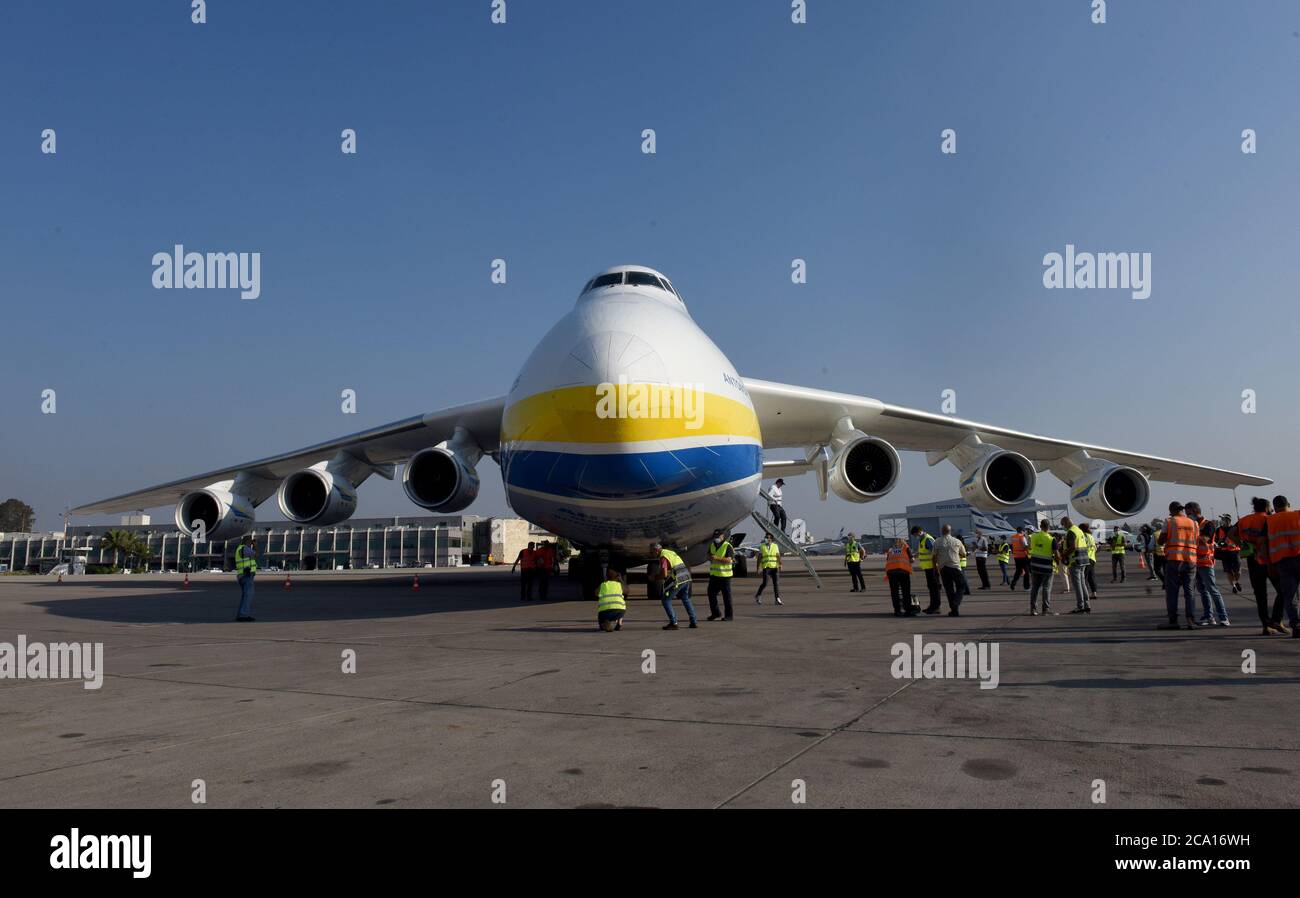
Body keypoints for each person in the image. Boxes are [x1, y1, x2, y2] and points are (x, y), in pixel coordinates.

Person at [1235, 496, 1287, 635]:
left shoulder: (1244, 520)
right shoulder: (1268, 519)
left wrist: (1242, 545)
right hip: (1268, 559)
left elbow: (1231, 534)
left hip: (1252, 559)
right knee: (1283, 590)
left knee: (1260, 595)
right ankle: (1277, 619)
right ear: (1266, 508)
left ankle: (1266, 625)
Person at [1157, 502, 1199, 630]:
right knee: (1190, 591)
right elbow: (1196, 540)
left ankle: (1173, 620)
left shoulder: (1170, 521)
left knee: (1172, 591)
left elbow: (1161, 540)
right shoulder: (1194, 523)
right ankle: (1191, 620)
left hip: (1174, 559)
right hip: (1191, 559)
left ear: (1172, 511)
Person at [1265, 495, 1300, 638]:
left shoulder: (1269, 521)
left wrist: (1269, 564)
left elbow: (1263, 543)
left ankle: (1296, 626)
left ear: (1274, 508)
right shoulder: (1297, 514)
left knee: (1290, 596)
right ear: (1288, 504)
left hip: (1282, 561)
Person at [653, 542, 697, 630]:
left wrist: (655, 577)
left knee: (666, 600)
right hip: (686, 576)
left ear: (656, 550)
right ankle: (693, 621)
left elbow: (664, 574)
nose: (651, 554)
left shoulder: (663, 557)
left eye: (652, 552)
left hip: (679, 579)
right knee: (685, 599)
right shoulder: (670, 552)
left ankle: (674, 623)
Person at [1194, 527, 1229, 627]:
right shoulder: (1195, 526)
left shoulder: (1207, 525)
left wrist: (1194, 534)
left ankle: (1223, 617)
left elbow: (1205, 540)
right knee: (1203, 591)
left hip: (1206, 564)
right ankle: (1209, 617)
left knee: (1213, 590)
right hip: (1197, 564)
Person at [932, 524, 966, 616]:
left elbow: (934, 557)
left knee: (949, 589)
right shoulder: (957, 541)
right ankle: (956, 603)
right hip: (955, 567)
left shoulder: (937, 542)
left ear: (942, 531)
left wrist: (935, 569)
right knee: (961, 586)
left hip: (943, 568)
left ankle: (954, 610)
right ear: (950, 531)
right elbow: (963, 554)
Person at [1062, 518, 1092, 614]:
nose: (1063, 527)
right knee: (1082, 583)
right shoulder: (1078, 530)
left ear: (1066, 523)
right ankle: (1087, 605)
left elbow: (1072, 547)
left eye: (1063, 525)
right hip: (1083, 560)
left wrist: (1064, 555)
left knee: (1077, 585)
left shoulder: (1071, 532)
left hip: (1075, 561)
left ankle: (1080, 606)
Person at [1027, 518, 1056, 616]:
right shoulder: (1051, 539)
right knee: (1046, 588)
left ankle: (1033, 609)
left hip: (1035, 565)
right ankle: (1045, 609)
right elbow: (1056, 553)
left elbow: (1030, 547)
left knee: (1035, 587)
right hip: (1046, 567)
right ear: (1049, 527)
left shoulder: (1033, 536)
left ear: (1040, 526)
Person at [706, 529, 735, 621]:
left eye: (718, 537)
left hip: (725, 576)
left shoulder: (728, 546)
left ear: (722, 536)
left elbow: (729, 560)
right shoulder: (712, 545)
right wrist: (709, 557)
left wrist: (717, 558)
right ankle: (716, 613)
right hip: (714, 575)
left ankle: (729, 616)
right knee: (711, 594)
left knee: (726, 596)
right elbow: (709, 555)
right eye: (715, 537)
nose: (716, 538)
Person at [911, 526, 942, 614]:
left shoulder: (928, 539)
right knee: (931, 588)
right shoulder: (922, 539)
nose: (915, 536)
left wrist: (936, 567)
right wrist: (914, 555)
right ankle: (932, 606)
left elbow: (935, 552)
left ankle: (936, 607)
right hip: (928, 568)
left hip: (932, 567)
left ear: (920, 531)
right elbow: (923, 552)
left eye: (916, 534)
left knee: (934, 588)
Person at [884, 538, 916, 616]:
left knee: (894, 592)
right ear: (904, 542)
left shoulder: (891, 550)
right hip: (903, 571)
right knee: (906, 591)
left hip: (891, 572)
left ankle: (897, 610)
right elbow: (912, 559)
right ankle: (908, 610)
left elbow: (887, 559)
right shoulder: (906, 547)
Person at [233, 534, 257, 622]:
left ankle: (241, 615)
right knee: (248, 595)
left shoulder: (240, 548)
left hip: (242, 575)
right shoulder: (245, 548)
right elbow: (255, 554)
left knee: (245, 595)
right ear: (248, 541)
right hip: (246, 575)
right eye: (251, 541)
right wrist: (255, 546)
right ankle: (243, 615)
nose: (251, 542)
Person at [755, 532, 783, 605]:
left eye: (770, 538)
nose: (768, 539)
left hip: (774, 567)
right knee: (765, 583)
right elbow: (759, 558)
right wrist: (758, 568)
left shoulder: (775, 546)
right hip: (766, 568)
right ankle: (758, 595)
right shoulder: (762, 546)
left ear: (772, 539)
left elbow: (778, 555)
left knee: (776, 584)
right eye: (767, 537)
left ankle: (777, 599)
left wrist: (780, 564)